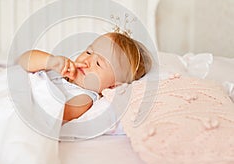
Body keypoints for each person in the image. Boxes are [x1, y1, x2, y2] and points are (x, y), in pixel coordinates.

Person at [18, 32, 152, 123]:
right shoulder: (60, 66)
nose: (87, 61)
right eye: (88, 52)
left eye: (98, 63)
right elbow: (23, 61)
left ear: (113, 86)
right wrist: (50, 61)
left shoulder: (84, 98)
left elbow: (55, 116)